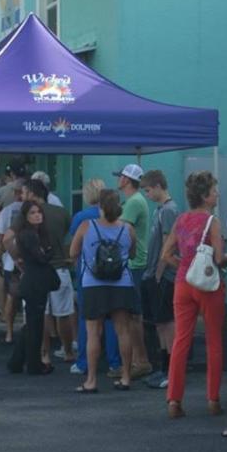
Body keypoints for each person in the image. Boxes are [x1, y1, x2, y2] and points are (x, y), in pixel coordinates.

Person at [159, 170, 226, 419]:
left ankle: (174, 401)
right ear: (205, 196)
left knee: (180, 341)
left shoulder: (181, 220)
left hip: (183, 283)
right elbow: (218, 258)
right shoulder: (213, 222)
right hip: (208, 286)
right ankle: (213, 399)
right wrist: (220, 261)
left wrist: (186, 267)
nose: (217, 194)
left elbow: (165, 255)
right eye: (214, 191)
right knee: (214, 342)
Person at [68, 188, 138, 393]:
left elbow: (73, 252)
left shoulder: (86, 226)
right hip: (122, 284)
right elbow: (132, 255)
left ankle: (91, 380)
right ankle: (125, 377)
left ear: (99, 206)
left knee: (93, 333)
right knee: (123, 331)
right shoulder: (128, 229)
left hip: (93, 284)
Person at [70, 179, 120, 376]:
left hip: (88, 272)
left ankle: (84, 362)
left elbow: (74, 248)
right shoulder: (117, 219)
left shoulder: (81, 218)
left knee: (87, 319)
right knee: (112, 319)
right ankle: (114, 361)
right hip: (114, 272)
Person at [5, 199, 57, 376]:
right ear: (26, 217)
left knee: (33, 324)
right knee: (35, 325)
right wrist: (48, 251)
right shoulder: (28, 235)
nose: (37, 215)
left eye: (39, 212)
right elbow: (41, 257)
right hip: (34, 283)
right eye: (33, 213)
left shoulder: (36, 234)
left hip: (35, 281)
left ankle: (17, 361)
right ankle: (33, 364)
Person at [28, 179, 76, 367]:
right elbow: (69, 240)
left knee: (42, 313)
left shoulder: (27, 215)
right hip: (59, 268)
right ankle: (68, 350)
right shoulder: (62, 213)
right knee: (63, 313)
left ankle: (44, 352)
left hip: (36, 270)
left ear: (32, 194)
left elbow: (9, 238)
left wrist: (18, 260)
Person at [140, 169, 178, 389]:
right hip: (154, 272)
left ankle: (170, 370)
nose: (147, 194)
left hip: (163, 275)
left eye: (147, 190)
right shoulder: (160, 210)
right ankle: (163, 368)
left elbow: (168, 243)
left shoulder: (169, 211)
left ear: (157, 186)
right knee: (161, 324)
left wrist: (159, 272)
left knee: (167, 323)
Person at [114, 163, 152, 381]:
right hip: (135, 262)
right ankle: (138, 359)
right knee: (131, 315)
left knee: (133, 315)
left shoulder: (133, 202)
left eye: (120, 176)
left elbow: (119, 229)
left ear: (126, 180)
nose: (118, 179)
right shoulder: (136, 201)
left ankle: (140, 360)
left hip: (133, 263)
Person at [0, 178, 30, 342]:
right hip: (30, 258)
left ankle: (9, 332)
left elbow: (1, 237)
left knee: (12, 296)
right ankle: (28, 329)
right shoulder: (34, 210)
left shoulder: (7, 211)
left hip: (11, 259)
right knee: (30, 298)